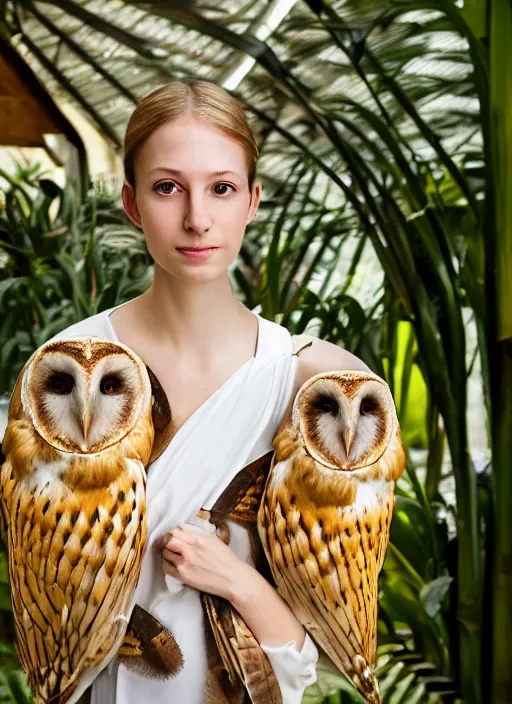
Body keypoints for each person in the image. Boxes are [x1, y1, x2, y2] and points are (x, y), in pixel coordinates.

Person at [50, 78, 371, 703]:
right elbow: (52, 628)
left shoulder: (316, 384)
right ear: (133, 203)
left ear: (251, 201)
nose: (197, 218)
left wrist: (238, 582)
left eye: (221, 188)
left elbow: (311, 658)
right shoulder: (71, 372)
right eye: (168, 187)